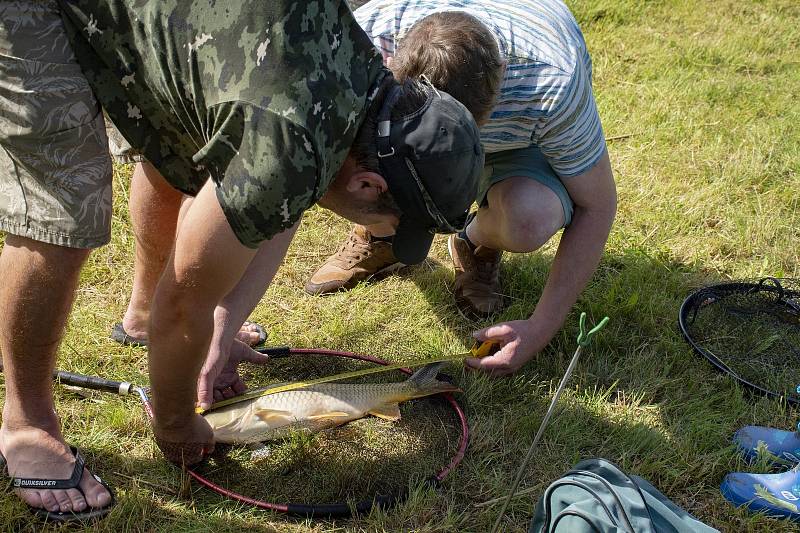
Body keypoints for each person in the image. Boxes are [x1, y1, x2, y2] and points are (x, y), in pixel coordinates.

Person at [0, 0, 483, 521]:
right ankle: (26, 424)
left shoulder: (360, 85)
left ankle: (138, 318)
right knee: (64, 209)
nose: (387, 237)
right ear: (368, 184)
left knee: (187, 152)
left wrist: (219, 326)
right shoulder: (286, 146)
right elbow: (185, 305)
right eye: (393, 227)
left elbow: (273, 202)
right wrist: (177, 423)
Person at [306, 0, 617, 376]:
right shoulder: (363, 38)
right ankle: (382, 234)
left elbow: (596, 206)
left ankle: (475, 240)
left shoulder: (553, 85)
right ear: (394, 65)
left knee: (530, 218)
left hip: (517, 141)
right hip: (399, 130)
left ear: (501, 74)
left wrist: (540, 328)